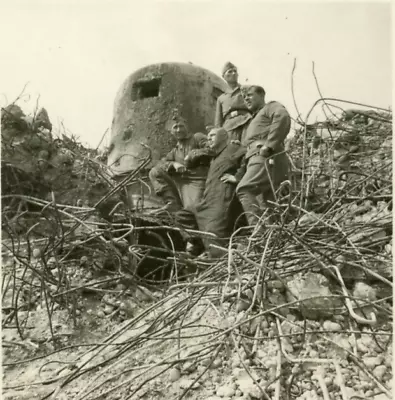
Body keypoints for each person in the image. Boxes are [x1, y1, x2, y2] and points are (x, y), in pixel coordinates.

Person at [221, 85, 292, 226]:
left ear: (262, 95)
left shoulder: (270, 107)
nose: (246, 98)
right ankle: (273, 236)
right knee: (269, 202)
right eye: (244, 97)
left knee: (244, 189)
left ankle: (259, 231)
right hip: (261, 158)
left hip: (265, 156)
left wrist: (269, 145)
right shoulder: (255, 118)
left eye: (250, 95)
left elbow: (282, 117)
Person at [175, 128, 246, 257]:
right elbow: (190, 163)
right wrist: (194, 153)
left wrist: (238, 177)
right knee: (183, 216)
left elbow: (247, 157)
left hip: (222, 199)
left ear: (224, 136)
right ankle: (198, 245)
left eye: (213, 135)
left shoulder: (232, 148)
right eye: (208, 136)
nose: (209, 138)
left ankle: (217, 259)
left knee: (213, 231)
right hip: (207, 200)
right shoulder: (215, 156)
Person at [149, 116, 210, 213]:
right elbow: (162, 162)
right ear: (171, 132)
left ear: (187, 127)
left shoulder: (197, 137)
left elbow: (212, 149)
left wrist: (193, 154)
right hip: (182, 181)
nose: (178, 130)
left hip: (198, 180)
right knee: (155, 171)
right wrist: (174, 164)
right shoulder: (176, 150)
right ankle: (172, 203)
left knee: (193, 210)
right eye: (175, 127)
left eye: (181, 126)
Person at [215, 62, 252, 142]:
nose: (234, 73)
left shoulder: (245, 89)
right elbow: (218, 122)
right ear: (224, 76)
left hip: (246, 122)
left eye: (235, 71)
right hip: (229, 128)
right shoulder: (221, 98)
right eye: (230, 71)